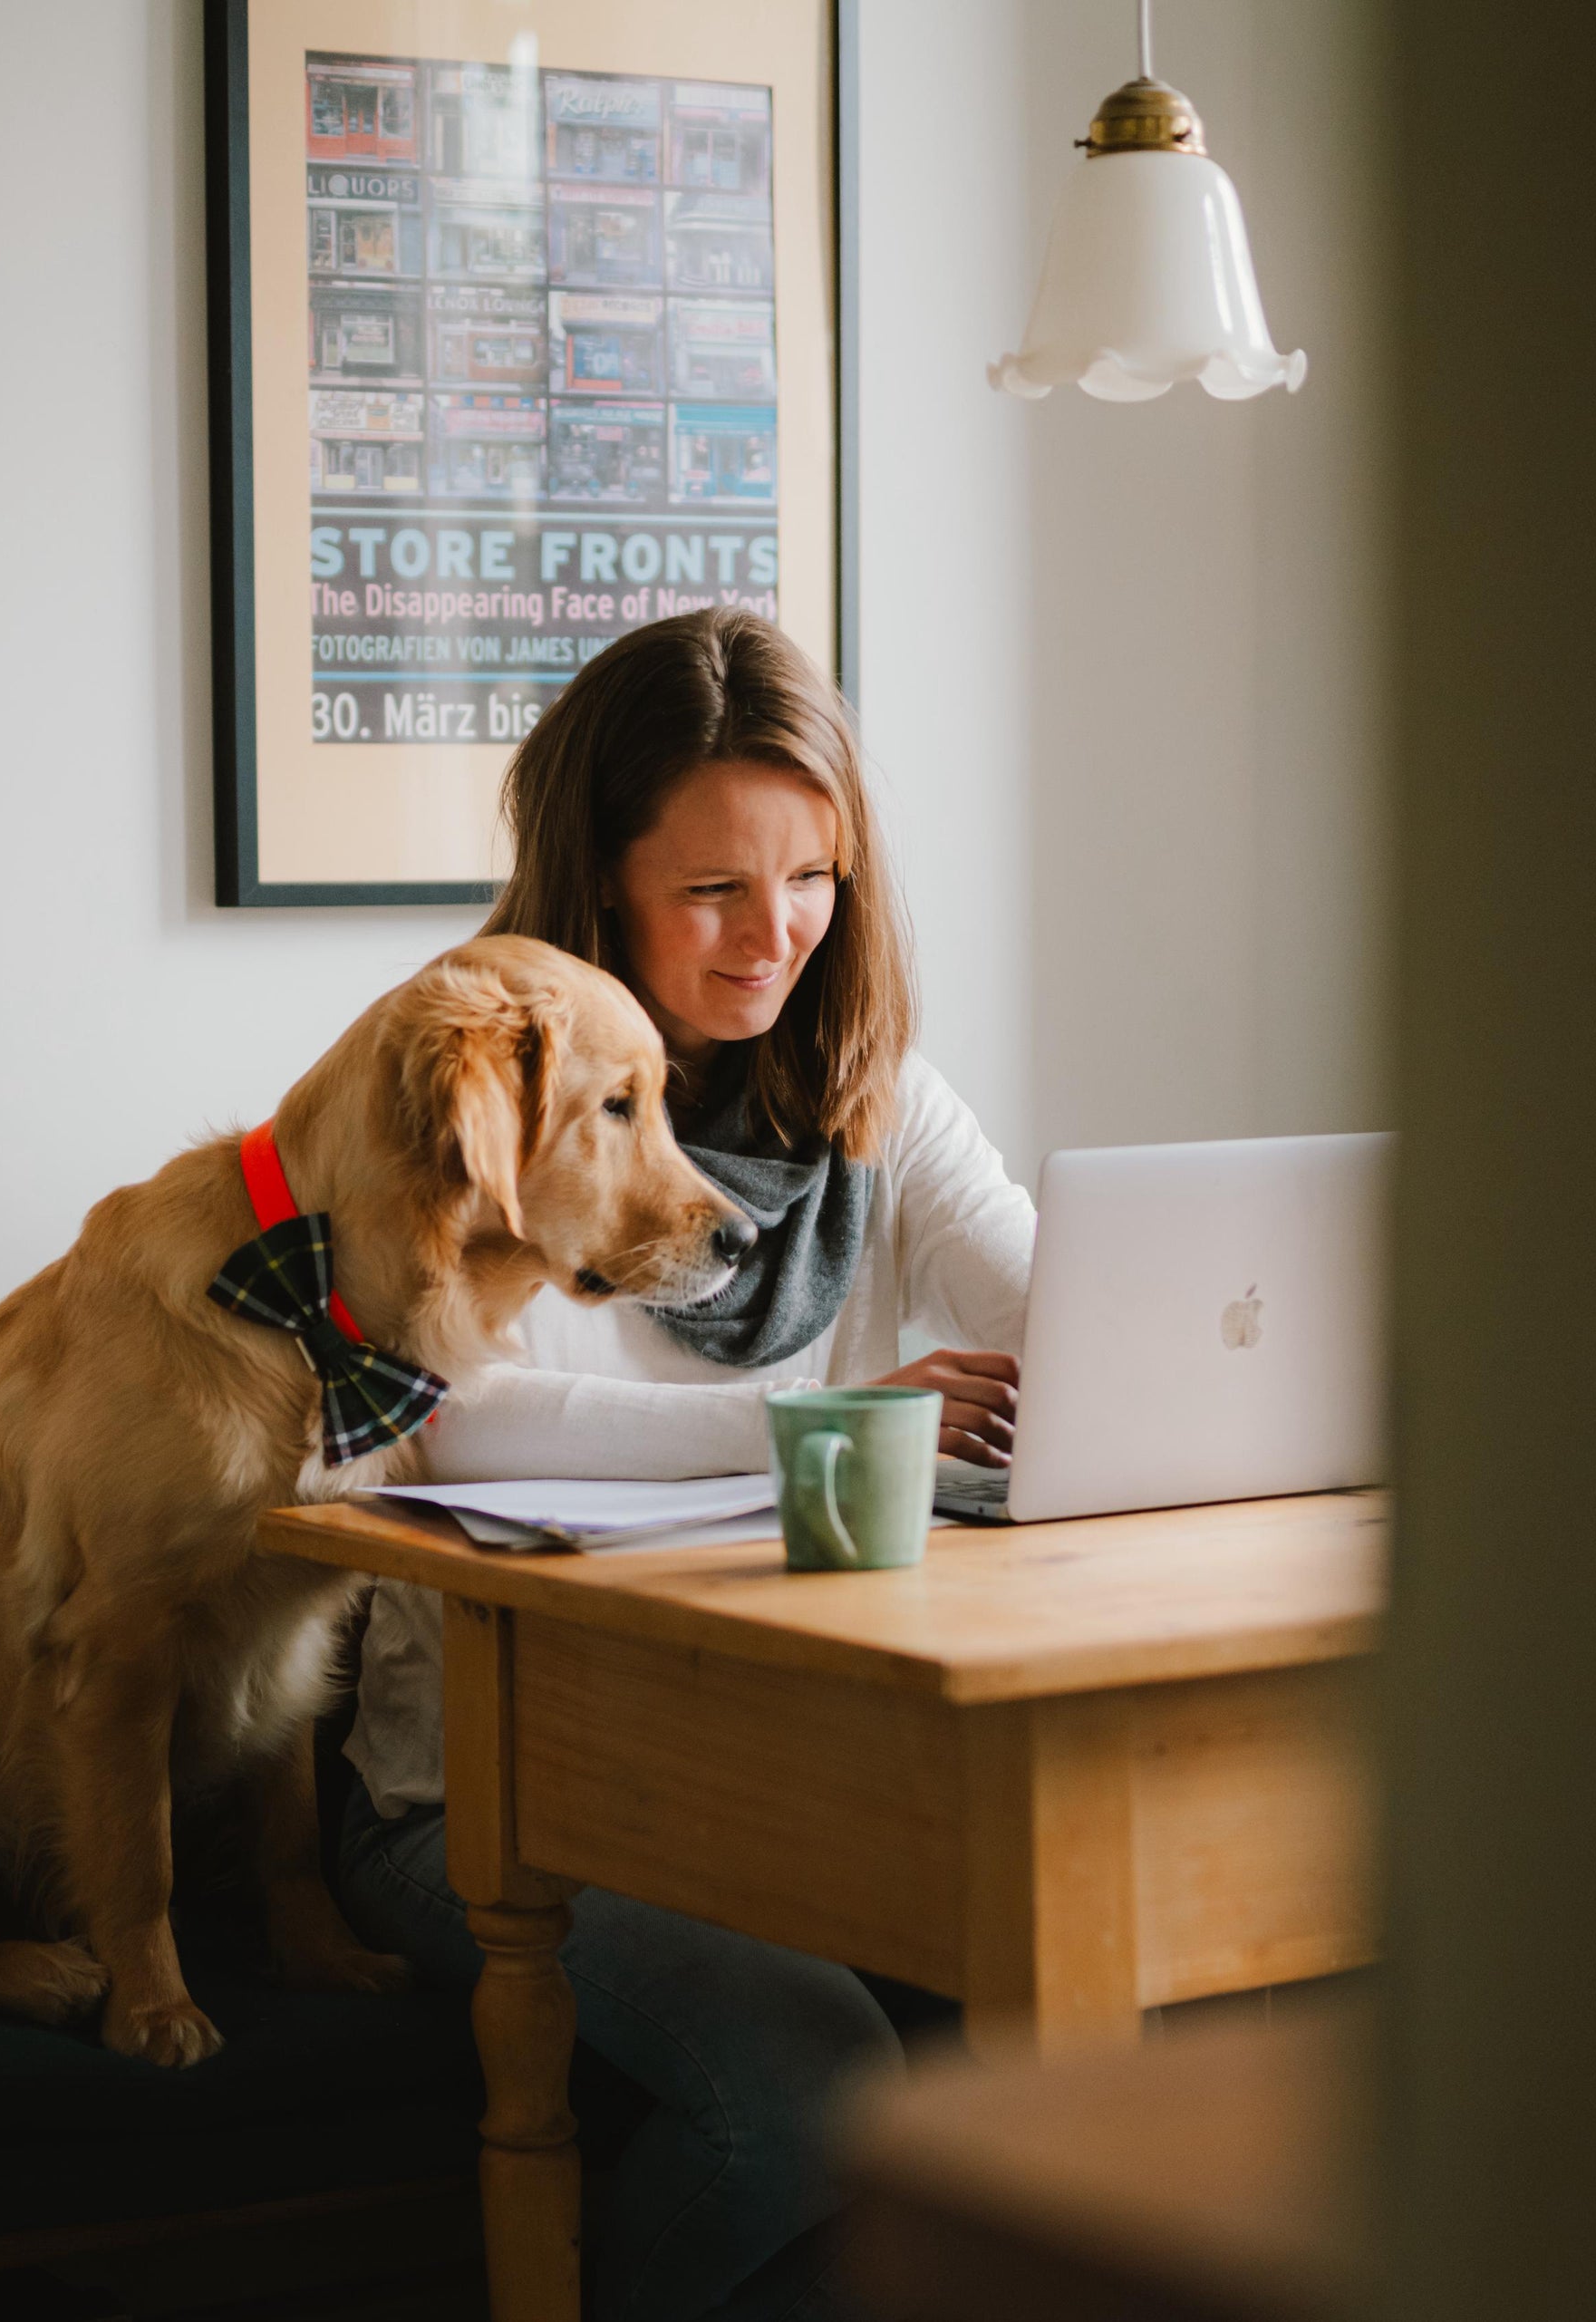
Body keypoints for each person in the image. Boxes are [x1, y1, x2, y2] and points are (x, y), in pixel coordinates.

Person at [336, 608, 1035, 2322]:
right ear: (601, 877)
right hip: (484, 1792)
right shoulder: (476, 1086)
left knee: (1056, 2011)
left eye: (812, 879)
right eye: (715, 887)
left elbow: (1058, 1309)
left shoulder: (875, 1090)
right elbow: (453, 1414)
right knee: (809, 2085)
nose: (774, 933)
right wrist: (819, 1433)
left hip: (795, 1761)